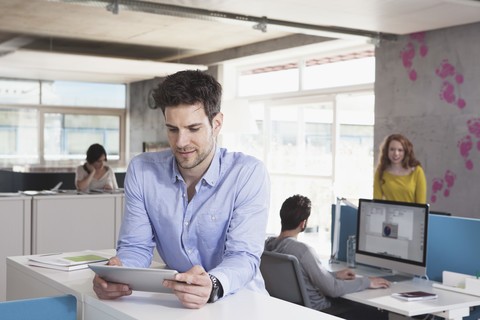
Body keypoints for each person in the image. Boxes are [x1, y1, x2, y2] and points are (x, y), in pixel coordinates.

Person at [92, 70, 270, 309]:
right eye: (172, 129)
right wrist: (117, 273)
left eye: (193, 128)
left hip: (240, 302)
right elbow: (136, 247)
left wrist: (212, 284)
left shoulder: (248, 173)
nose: (181, 142)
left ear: (216, 124)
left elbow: (244, 256)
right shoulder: (142, 171)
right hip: (178, 305)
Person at [264, 195, 390, 319]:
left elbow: (301, 277)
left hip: (293, 312)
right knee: (377, 313)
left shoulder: (266, 246)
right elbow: (333, 289)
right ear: (303, 223)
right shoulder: (302, 251)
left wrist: (334, 275)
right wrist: (367, 282)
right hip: (322, 312)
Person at [373, 133, 426, 203]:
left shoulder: (417, 171)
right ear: (386, 151)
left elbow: (421, 205)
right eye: (392, 149)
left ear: (405, 152)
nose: (396, 153)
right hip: (389, 213)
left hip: (411, 213)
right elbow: (376, 203)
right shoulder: (380, 171)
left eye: (400, 150)